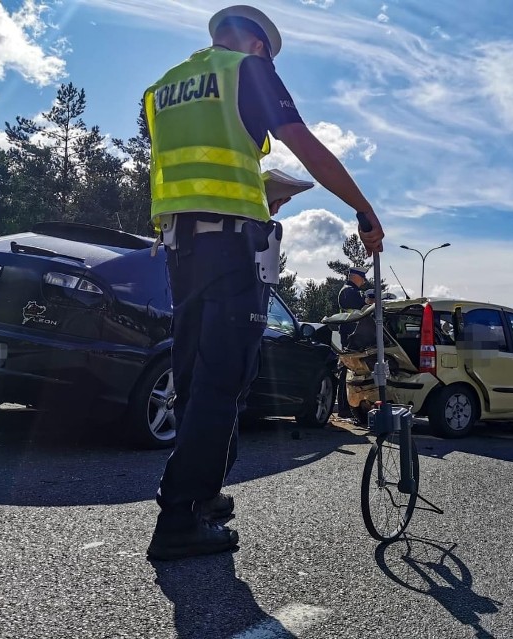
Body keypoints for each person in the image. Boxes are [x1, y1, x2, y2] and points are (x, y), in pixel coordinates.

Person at [144, 4, 384, 561]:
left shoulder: (166, 87)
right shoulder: (246, 72)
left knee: (193, 372)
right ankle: (180, 512)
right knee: (223, 379)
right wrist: (364, 210)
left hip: (180, 247)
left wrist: (260, 195)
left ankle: (203, 492)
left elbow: (191, 170)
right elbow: (305, 144)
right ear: (258, 48)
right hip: (229, 248)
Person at [335, 267, 367, 418]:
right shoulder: (349, 291)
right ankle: (344, 407)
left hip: (351, 334)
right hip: (350, 335)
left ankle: (348, 406)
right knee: (347, 371)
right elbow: (361, 309)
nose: (364, 281)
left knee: (351, 371)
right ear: (355, 277)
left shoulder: (350, 291)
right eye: (362, 278)